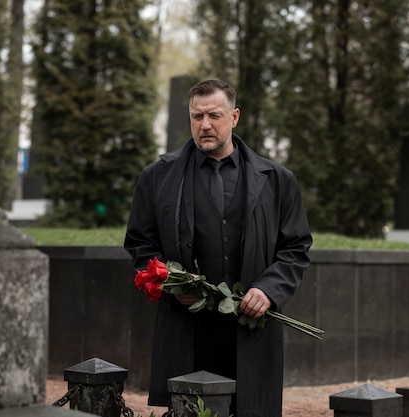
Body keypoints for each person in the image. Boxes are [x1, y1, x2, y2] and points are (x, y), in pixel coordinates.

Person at [124, 79, 312, 417]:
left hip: (252, 329)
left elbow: (296, 247)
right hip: (187, 330)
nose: (205, 125)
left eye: (215, 115)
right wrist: (172, 285)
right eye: (197, 116)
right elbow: (140, 243)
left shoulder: (279, 180)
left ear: (235, 116)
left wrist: (269, 289)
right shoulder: (156, 177)